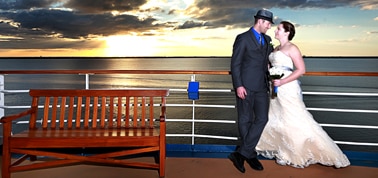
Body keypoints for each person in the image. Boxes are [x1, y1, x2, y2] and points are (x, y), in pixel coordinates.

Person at [256, 21, 351, 168]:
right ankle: (284, 151)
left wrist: (282, 82)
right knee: (279, 118)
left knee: (295, 117)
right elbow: (272, 66)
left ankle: (310, 153)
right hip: (274, 88)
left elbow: (301, 70)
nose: (275, 31)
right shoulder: (275, 48)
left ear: (287, 32)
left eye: (279, 29)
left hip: (287, 88)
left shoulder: (292, 48)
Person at [229, 9, 275, 173]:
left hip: (262, 86)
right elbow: (235, 64)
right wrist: (239, 85)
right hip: (246, 86)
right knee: (245, 119)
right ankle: (251, 154)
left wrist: (276, 75)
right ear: (260, 21)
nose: (269, 27)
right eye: (268, 23)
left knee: (262, 119)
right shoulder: (243, 38)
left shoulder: (268, 40)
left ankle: (242, 154)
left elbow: (271, 61)